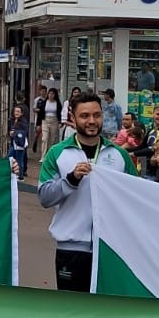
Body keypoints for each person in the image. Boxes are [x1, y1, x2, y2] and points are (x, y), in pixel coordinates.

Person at [38, 90, 138, 292]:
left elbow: (136, 198)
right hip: (71, 250)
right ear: (73, 118)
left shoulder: (119, 155)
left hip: (111, 249)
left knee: (107, 308)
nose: (92, 121)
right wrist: (71, 180)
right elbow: (45, 197)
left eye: (96, 115)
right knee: (72, 308)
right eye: (84, 116)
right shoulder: (57, 153)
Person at [7, 103, 30, 179]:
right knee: (9, 157)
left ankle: (20, 176)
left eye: (18, 112)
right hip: (14, 143)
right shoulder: (13, 120)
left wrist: (14, 133)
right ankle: (11, 173)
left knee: (19, 159)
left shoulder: (23, 122)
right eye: (15, 111)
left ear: (22, 113)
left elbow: (25, 132)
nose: (16, 113)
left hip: (20, 143)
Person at [37, 86, 62, 154]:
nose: (51, 95)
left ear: (55, 95)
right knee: (44, 139)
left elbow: (59, 113)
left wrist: (60, 122)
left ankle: (50, 154)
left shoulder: (57, 103)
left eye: (52, 94)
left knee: (52, 140)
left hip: (54, 121)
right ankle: (43, 155)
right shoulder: (44, 102)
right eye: (50, 93)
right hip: (45, 121)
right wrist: (38, 124)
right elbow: (40, 113)